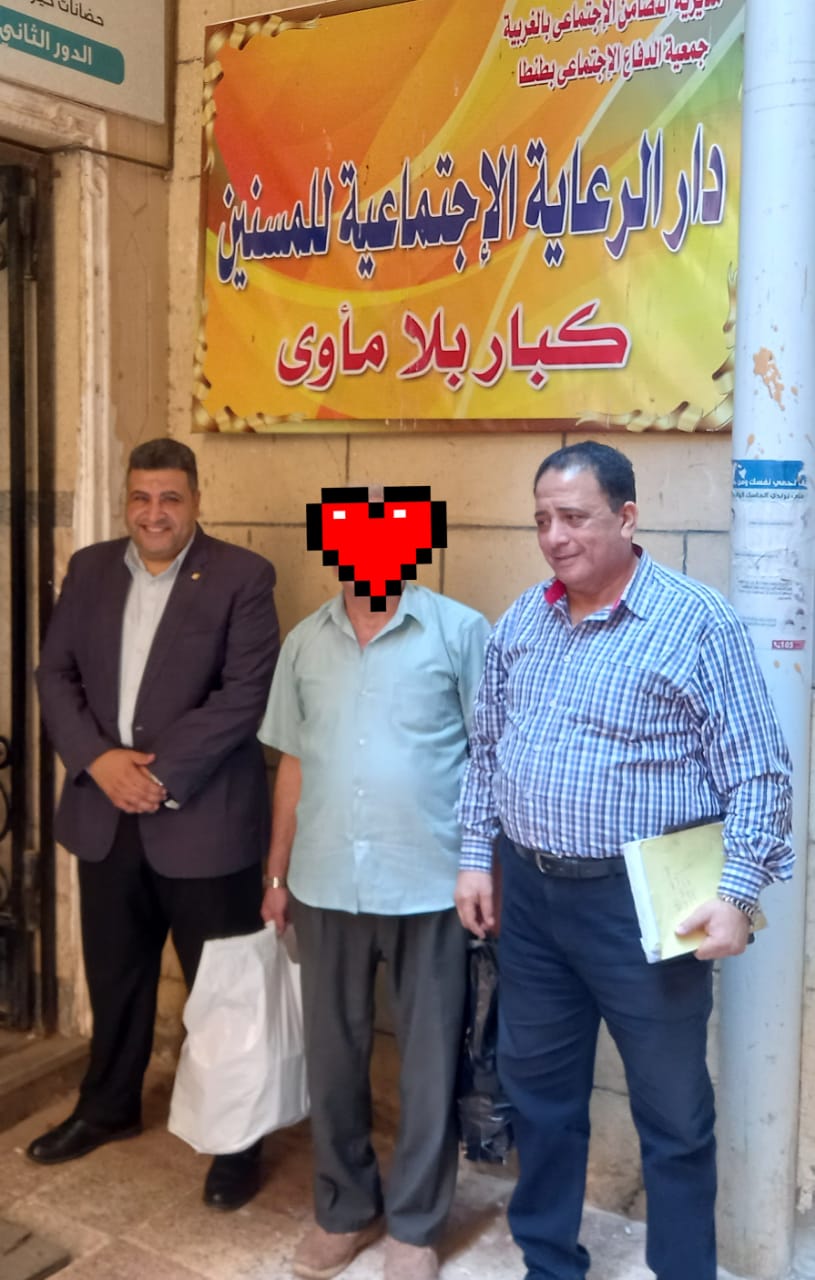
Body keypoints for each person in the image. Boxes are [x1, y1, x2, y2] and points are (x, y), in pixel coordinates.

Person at [455, 441, 793, 1280]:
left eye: (573, 517)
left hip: (645, 905)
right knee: (541, 1099)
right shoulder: (522, 620)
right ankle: (547, 1263)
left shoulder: (695, 622)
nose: (554, 536)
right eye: (542, 519)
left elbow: (759, 771)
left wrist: (736, 893)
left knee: (673, 1115)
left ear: (627, 517)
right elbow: (485, 750)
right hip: (531, 898)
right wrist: (473, 859)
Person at [27, 437, 280, 1212]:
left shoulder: (243, 576)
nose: (153, 512)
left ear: (195, 499)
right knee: (117, 975)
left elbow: (244, 694)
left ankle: (236, 1140)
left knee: (225, 991)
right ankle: (108, 1107)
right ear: (125, 500)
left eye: (169, 497)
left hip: (205, 820)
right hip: (105, 814)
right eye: (140, 497)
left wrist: (159, 775)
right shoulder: (90, 569)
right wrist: (99, 760)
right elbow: (54, 673)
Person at [259, 491, 490, 1280]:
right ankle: (344, 1208)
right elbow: (291, 762)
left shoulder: (459, 632)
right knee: (333, 1060)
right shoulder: (304, 642)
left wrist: (482, 867)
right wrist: (277, 872)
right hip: (325, 883)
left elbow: (489, 760)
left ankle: (416, 1226)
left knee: (428, 1065)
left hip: (430, 886)